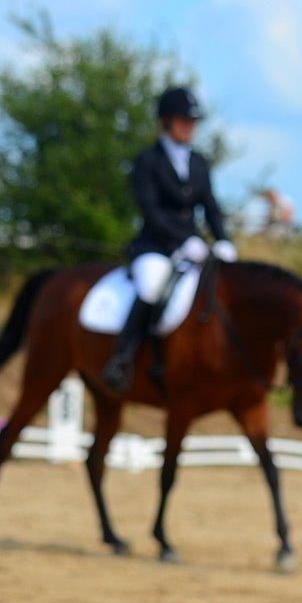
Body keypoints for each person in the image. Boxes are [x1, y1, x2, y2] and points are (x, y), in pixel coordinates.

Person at [101, 86, 237, 393]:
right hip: (155, 247)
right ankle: (122, 359)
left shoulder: (199, 162)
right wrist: (183, 239)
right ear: (165, 122)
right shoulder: (147, 161)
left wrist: (224, 240)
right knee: (152, 285)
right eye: (182, 121)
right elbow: (150, 210)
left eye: (192, 122)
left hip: (194, 248)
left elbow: (211, 207)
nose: (189, 127)